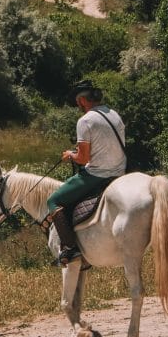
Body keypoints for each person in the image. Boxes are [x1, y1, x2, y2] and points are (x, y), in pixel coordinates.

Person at [46, 78, 126, 265]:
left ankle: (69, 248)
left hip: (98, 174)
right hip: (120, 171)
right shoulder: (114, 114)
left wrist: (70, 155)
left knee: (53, 200)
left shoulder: (85, 120)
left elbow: (83, 159)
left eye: (77, 103)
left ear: (81, 100)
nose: (78, 106)